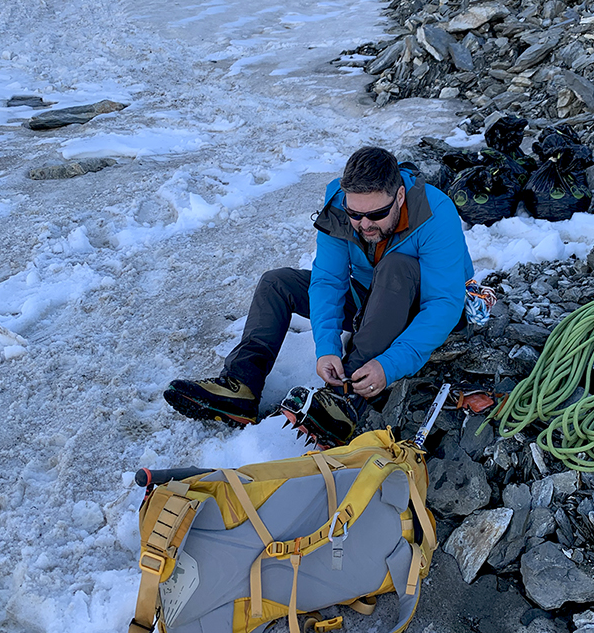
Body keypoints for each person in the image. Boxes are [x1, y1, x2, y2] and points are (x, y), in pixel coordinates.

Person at [165, 146, 475, 439]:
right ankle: (241, 386)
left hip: (420, 309)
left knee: (396, 267)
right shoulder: (339, 204)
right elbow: (329, 279)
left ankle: (345, 398)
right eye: (355, 215)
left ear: (399, 196)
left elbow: (443, 304)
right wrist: (326, 347)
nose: (364, 225)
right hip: (371, 297)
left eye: (376, 215)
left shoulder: (435, 213)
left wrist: (389, 365)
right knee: (277, 283)